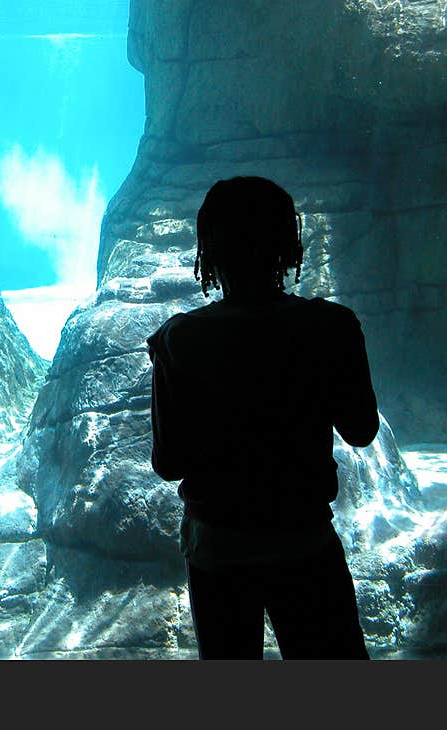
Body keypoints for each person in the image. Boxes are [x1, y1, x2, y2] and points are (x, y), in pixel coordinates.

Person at [146, 176, 379, 659]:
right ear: (288, 244)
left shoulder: (180, 340)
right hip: (305, 539)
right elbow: (361, 430)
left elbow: (169, 462)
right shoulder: (330, 327)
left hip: (218, 549)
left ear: (208, 251)